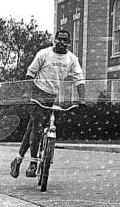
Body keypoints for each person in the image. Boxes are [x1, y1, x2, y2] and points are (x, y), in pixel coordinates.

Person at [11, 29, 86, 178]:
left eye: (65, 40)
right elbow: (30, 74)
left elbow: (80, 80)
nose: (62, 43)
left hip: (52, 96)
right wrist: (27, 94)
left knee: (32, 128)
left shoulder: (71, 59)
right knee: (37, 126)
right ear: (54, 40)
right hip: (37, 94)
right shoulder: (44, 54)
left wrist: (82, 99)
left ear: (69, 43)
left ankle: (18, 159)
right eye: (59, 39)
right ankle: (33, 163)